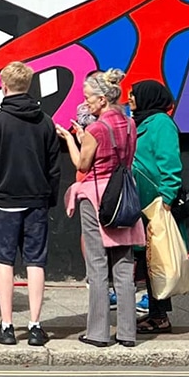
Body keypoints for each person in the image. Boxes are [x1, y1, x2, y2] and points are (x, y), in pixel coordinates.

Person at [58, 69, 146, 348]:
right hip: (125, 193)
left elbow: (83, 165)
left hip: (96, 196)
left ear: (103, 100)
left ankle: (98, 332)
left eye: (89, 99)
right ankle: (127, 332)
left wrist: (72, 139)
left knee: (97, 265)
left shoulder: (96, 128)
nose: (86, 104)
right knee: (124, 263)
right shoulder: (130, 124)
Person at [0, 61, 61, 347]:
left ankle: (7, 325)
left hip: (3, 200)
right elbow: (54, 166)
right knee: (36, 261)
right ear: (29, 86)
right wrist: (50, 196)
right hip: (37, 199)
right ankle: (36, 326)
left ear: (3, 86)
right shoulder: (45, 122)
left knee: (5, 262)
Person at [129, 80, 184, 334]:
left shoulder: (161, 124)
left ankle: (160, 317)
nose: (130, 99)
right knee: (147, 259)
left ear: (147, 97)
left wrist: (166, 199)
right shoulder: (143, 122)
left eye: (133, 95)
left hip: (155, 203)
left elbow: (170, 165)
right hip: (140, 202)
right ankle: (155, 313)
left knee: (157, 259)